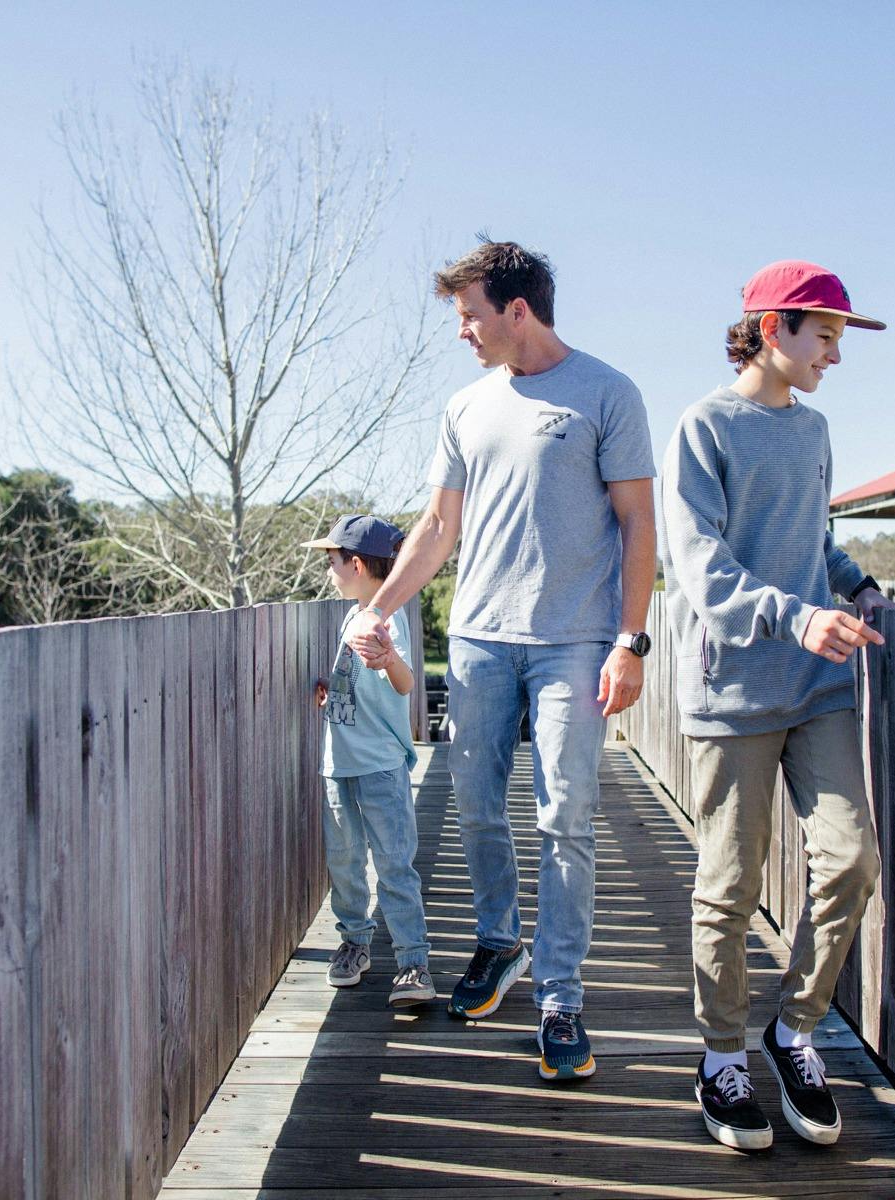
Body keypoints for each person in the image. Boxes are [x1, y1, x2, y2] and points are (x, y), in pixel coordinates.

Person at [344, 239, 657, 1081]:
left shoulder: (606, 392)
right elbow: (437, 529)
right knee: (476, 805)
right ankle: (498, 943)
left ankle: (560, 992)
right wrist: (374, 610)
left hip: (576, 642)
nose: (462, 333)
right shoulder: (465, 407)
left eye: (470, 316)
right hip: (479, 640)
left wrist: (630, 640)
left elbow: (639, 525)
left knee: (565, 816)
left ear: (518, 311)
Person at [659, 260, 892, 1150]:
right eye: (824, 335)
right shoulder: (704, 426)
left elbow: (812, 541)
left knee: (850, 859)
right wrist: (794, 616)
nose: (835, 354)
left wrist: (857, 586)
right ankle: (721, 1057)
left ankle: (794, 1029)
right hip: (735, 688)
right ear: (772, 330)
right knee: (731, 882)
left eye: (838, 338)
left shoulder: (818, 428)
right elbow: (700, 564)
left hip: (819, 683)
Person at [305, 514, 434, 1008]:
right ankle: (355, 942)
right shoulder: (352, 613)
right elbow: (363, 684)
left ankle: (412, 960)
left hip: (379, 766)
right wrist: (334, 693)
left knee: (393, 863)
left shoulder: (386, 616)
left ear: (356, 564)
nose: (329, 572)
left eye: (333, 562)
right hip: (339, 764)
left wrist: (386, 661)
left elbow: (403, 684)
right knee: (345, 861)